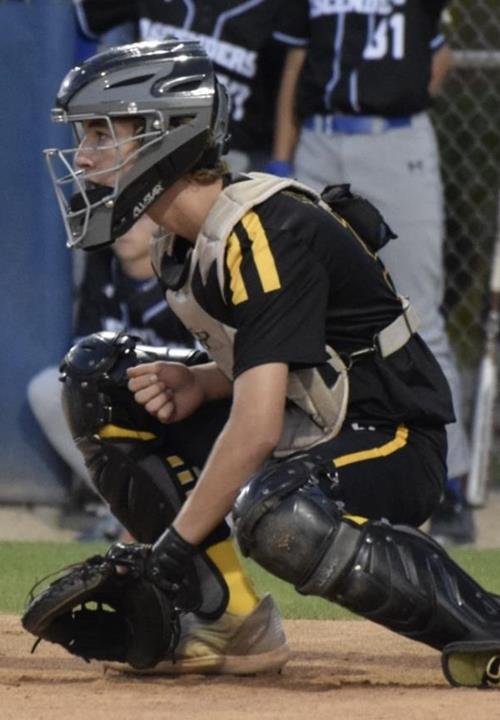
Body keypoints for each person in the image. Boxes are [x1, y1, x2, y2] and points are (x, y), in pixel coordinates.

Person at [44, 40, 500, 688]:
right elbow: (284, 364)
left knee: (275, 511)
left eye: (100, 133)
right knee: (99, 378)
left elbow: (257, 428)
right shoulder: (182, 238)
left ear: (167, 135)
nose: (84, 156)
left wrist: (164, 554)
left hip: (393, 434)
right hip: (312, 417)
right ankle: (220, 618)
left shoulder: (264, 230)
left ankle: (486, 625)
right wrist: (202, 382)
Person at [267, 1, 475, 545]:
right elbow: (296, 64)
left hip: (395, 141)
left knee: (419, 312)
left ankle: (450, 484)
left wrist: (397, 100)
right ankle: (323, 466)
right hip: (319, 142)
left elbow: (439, 57)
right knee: (308, 314)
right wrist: (283, 159)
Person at [28, 214, 194, 539]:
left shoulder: (188, 270)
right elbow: (81, 358)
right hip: (126, 401)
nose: (123, 228)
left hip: (180, 407)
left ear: (164, 221)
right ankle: (124, 508)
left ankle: (187, 508)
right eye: (115, 215)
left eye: (137, 217)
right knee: (49, 390)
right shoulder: (101, 264)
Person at [73, 0, 297, 173]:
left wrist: (280, 158)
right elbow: (87, 17)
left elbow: (291, 76)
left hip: (226, 149)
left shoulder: (279, 9)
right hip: (143, 139)